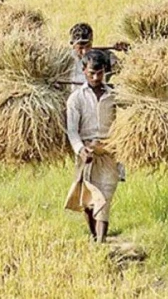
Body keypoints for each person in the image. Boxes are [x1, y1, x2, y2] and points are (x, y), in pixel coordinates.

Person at [64, 50, 120, 243]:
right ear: (84, 71)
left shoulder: (114, 96)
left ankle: (101, 242)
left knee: (105, 196)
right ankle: (95, 236)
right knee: (88, 201)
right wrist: (81, 150)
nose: (96, 77)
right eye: (91, 73)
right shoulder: (76, 99)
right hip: (86, 153)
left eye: (100, 73)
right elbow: (72, 130)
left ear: (105, 71)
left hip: (109, 152)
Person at [68, 23, 128, 90]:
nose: (84, 51)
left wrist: (128, 50)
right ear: (73, 46)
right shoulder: (65, 61)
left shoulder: (103, 56)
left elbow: (126, 69)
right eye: (80, 48)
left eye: (88, 46)